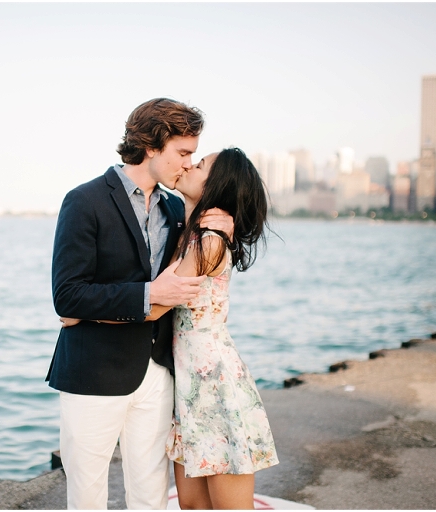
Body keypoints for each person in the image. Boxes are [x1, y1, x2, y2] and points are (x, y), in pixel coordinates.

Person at [62, 147, 279, 509]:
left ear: (217, 185)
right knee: (192, 505)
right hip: (187, 381)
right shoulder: (187, 229)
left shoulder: (208, 242)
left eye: (200, 163)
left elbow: (154, 305)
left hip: (214, 381)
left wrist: (80, 315)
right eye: (188, 155)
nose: (189, 165)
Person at [46, 98, 234, 510]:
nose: (188, 164)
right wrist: (149, 295)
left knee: (150, 496)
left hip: (156, 371)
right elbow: (67, 294)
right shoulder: (85, 200)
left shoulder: (174, 208)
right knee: (88, 494)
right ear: (152, 145)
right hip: (93, 371)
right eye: (182, 152)